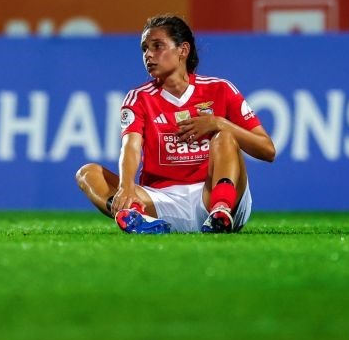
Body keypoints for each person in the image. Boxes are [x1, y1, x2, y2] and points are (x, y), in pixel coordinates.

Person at [75, 14, 276, 233]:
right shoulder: (139, 98)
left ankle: (220, 213)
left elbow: (267, 150)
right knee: (88, 173)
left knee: (225, 137)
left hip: (213, 196)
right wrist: (126, 187)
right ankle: (135, 216)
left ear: (183, 50)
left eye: (157, 46)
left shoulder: (221, 89)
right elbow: (130, 147)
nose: (148, 55)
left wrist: (219, 123)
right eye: (144, 49)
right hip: (161, 201)